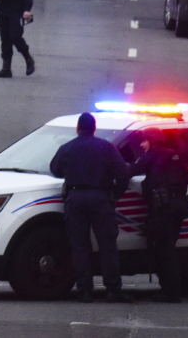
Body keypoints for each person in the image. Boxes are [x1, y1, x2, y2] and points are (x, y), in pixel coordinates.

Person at [50, 112, 130, 302]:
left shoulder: (67, 148)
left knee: (79, 246)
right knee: (107, 245)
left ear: (78, 129)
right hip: (101, 198)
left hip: (75, 198)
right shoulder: (106, 147)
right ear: (94, 129)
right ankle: (113, 289)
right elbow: (123, 174)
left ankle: (85, 291)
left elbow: (55, 169)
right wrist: (115, 196)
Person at [129, 128, 188, 302]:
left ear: (153, 140)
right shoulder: (175, 155)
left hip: (163, 209)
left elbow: (131, 171)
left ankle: (171, 292)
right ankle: (170, 289)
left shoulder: (151, 156)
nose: (142, 145)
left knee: (165, 250)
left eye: (144, 141)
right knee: (168, 247)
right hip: (179, 206)